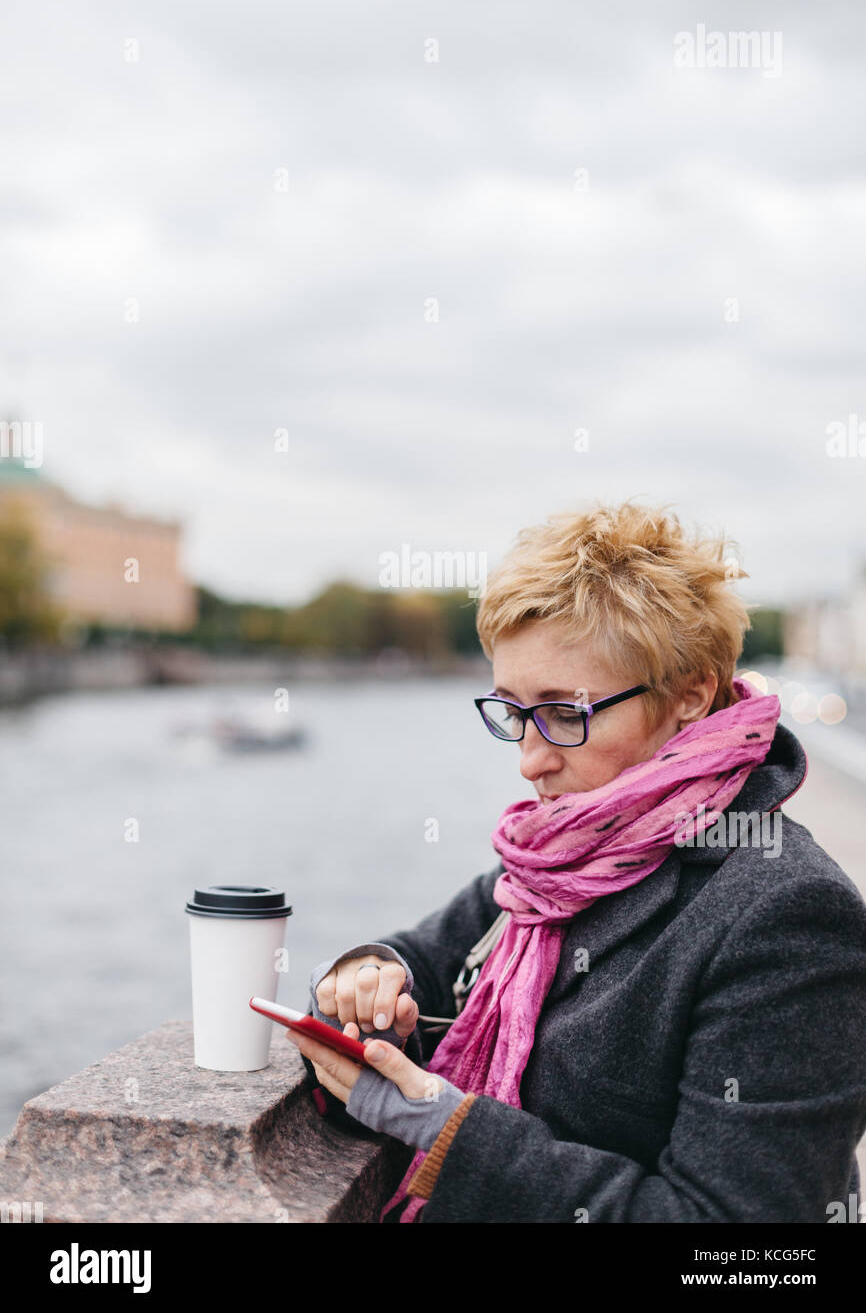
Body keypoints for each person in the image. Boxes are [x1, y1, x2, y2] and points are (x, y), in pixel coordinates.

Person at [286, 500, 866, 1223]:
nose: (529, 759)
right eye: (512, 712)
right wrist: (367, 978)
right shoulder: (552, 861)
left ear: (688, 697)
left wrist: (453, 1133)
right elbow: (426, 959)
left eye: (566, 713)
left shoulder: (788, 913)